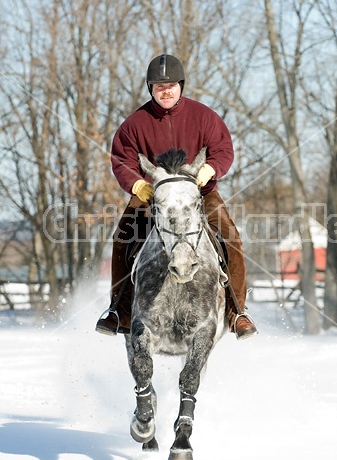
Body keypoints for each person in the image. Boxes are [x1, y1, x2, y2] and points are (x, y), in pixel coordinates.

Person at [96, 54, 257, 340]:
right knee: (123, 236)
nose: (165, 90)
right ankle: (119, 311)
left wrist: (210, 168)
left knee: (231, 236)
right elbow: (122, 160)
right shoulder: (135, 124)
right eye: (159, 86)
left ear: (181, 85)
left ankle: (237, 312)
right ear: (150, 89)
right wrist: (136, 185)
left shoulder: (204, 116)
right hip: (152, 195)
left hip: (198, 193)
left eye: (170, 85)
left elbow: (223, 149)